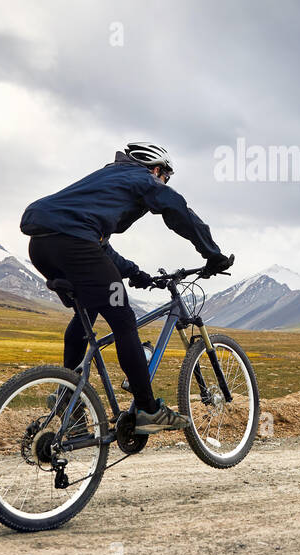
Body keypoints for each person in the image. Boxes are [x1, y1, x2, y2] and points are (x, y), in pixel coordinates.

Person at [21, 142, 234, 434]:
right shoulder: (141, 178)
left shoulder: (105, 182)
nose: (163, 183)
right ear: (157, 170)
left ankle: (67, 397)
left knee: (89, 307)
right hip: (73, 244)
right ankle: (148, 410)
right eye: (165, 178)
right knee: (123, 318)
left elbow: (97, 245)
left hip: (42, 246)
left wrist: (136, 273)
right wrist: (212, 254)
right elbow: (177, 208)